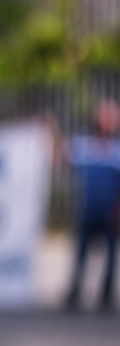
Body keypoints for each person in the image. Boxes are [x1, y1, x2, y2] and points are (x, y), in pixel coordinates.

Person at [59, 99, 120, 312]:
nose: (109, 121)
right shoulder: (84, 146)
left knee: (111, 255)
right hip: (87, 210)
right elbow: (64, 159)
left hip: (110, 211)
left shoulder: (117, 150)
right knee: (81, 253)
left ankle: (106, 296)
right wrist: (50, 132)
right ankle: (75, 291)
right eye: (105, 116)